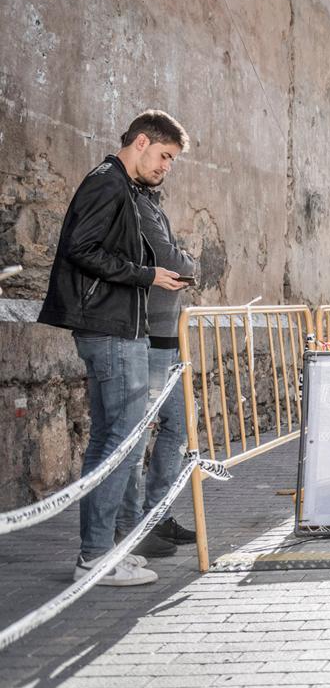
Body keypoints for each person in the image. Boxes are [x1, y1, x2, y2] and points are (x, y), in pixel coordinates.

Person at [38, 110, 191, 586]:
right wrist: (147, 274)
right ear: (141, 142)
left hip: (117, 325)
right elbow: (81, 250)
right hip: (107, 327)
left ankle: (101, 551)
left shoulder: (125, 187)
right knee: (120, 443)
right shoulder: (108, 182)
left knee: (112, 440)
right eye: (164, 155)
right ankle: (95, 557)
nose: (166, 166)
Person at [116, 174, 199, 559]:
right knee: (136, 435)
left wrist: (183, 263)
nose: (167, 167)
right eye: (164, 156)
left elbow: (178, 266)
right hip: (147, 334)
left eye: (171, 161)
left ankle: (157, 513)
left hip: (170, 333)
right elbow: (172, 261)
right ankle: (130, 527)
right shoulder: (131, 203)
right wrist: (186, 261)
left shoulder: (152, 204)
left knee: (180, 425)